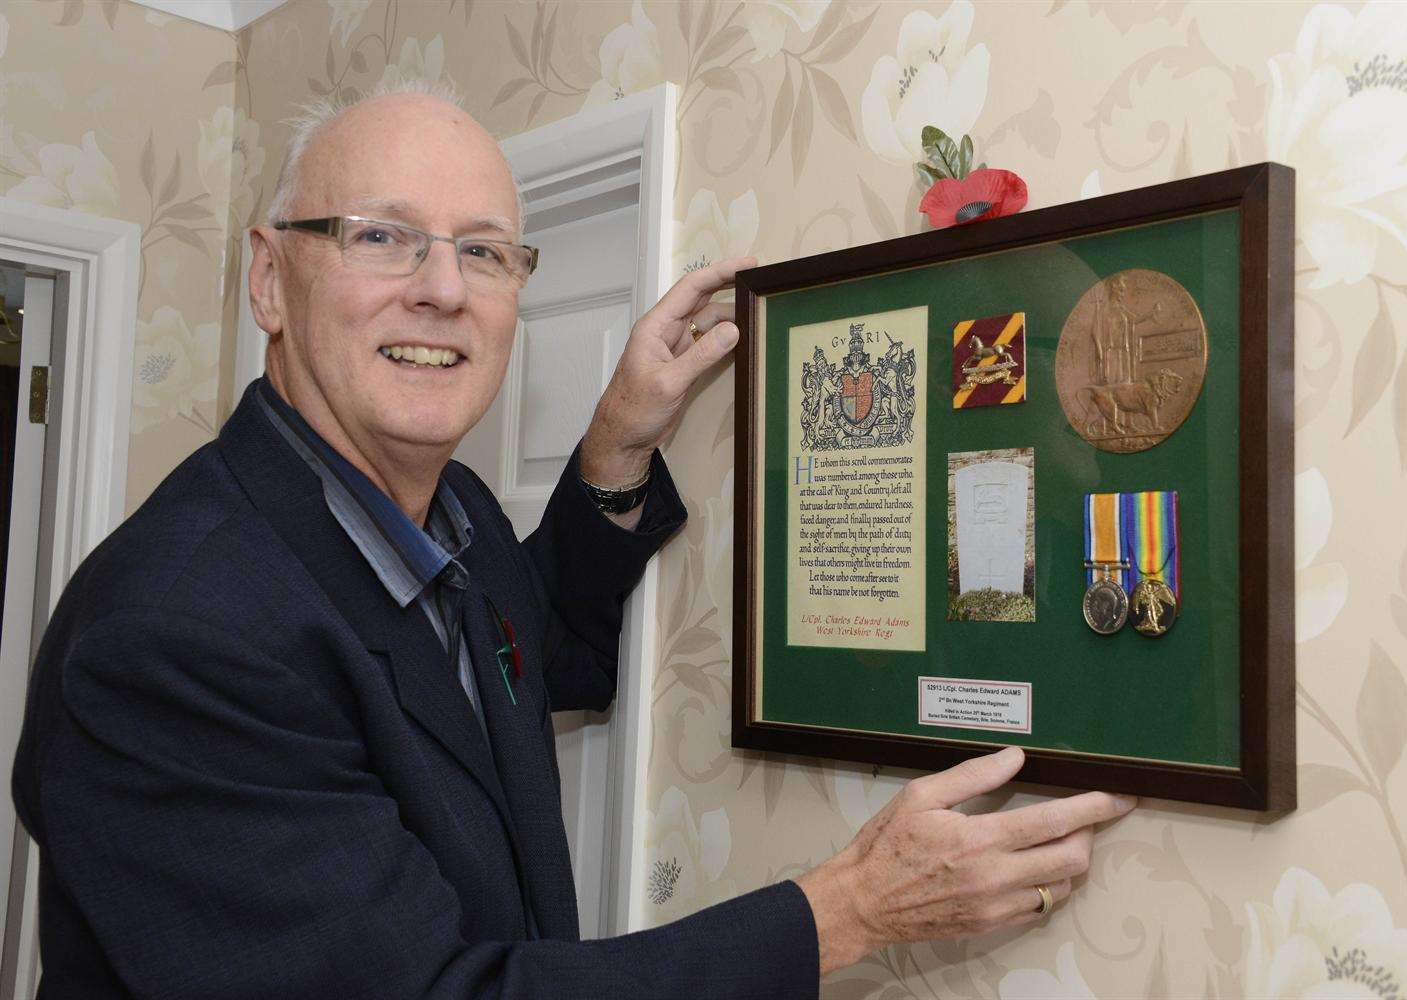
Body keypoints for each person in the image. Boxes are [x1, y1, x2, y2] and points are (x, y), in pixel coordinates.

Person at [10, 77, 1134, 998]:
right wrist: (845, 912)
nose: (443, 290)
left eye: (487, 252)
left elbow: (533, 651)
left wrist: (615, 443)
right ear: (270, 277)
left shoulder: (453, 523)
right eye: (383, 238)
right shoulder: (177, 630)